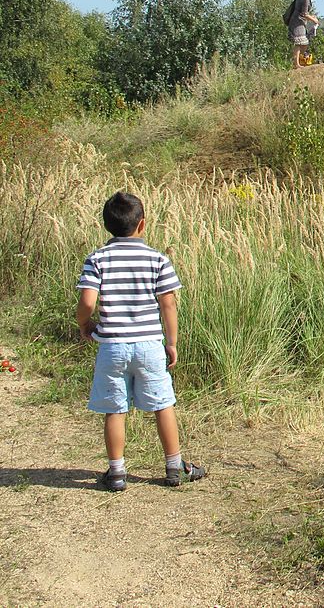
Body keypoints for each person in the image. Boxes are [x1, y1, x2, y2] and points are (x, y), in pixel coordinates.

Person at [75, 192, 205, 492]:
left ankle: (117, 472)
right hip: (149, 345)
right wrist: (171, 342)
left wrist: (85, 323)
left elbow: (87, 300)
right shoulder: (158, 259)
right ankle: (175, 467)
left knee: (115, 408)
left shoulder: (96, 259)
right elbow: (168, 304)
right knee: (163, 404)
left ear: (106, 224)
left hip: (113, 346)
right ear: (142, 224)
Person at [287, 0, 322, 69]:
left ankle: (299, 61)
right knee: (299, 43)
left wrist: (312, 17)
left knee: (304, 43)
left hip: (300, 22)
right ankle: (296, 64)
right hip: (297, 23)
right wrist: (314, 20)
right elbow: (304, 14)